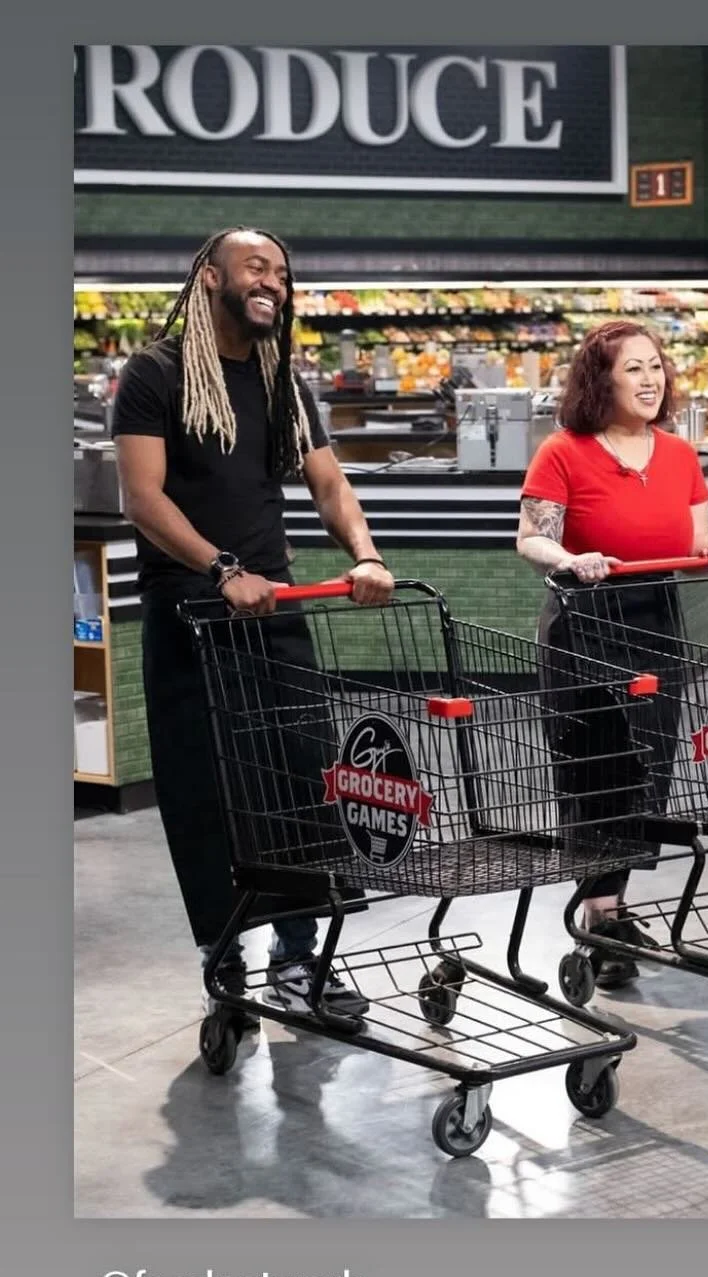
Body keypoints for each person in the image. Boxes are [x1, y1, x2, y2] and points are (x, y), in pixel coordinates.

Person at [113, 227, 396, 1025]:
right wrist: (221, 569)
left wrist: (365, 554)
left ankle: (302, 957)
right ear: (211, 277)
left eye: (280, 270)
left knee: (301, 777)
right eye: (254, 267)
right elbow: (144, 499)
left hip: (275, 612)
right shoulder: (155, 374)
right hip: (192, 612)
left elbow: (329, 481)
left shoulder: (281, 381)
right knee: (206, 791)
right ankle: (225, 953)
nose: (271, 280)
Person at [515, 320, 708, 988]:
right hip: (583, 621)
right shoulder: (563, 451)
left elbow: (697, 537)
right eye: (633, 369)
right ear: (601, 380)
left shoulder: (678, 454)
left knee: (648, 768)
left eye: (656, 367)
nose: (650, 380)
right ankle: (601, 909)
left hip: (654, 621)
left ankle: (612, 910)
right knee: (593, 769)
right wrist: (570, 558)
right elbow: (531, 538)